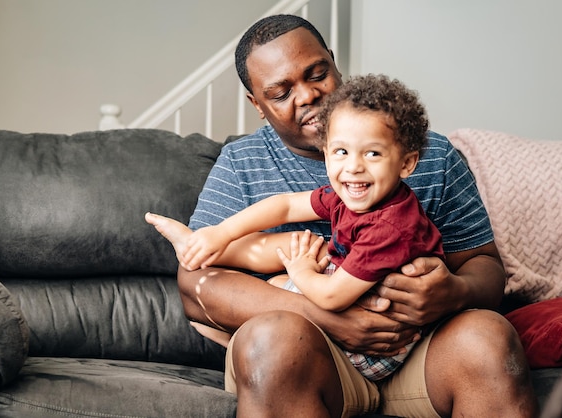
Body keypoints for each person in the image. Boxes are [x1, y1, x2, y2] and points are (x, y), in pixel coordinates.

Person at [170, 14, 538, 418]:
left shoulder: (432, 155)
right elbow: (195, 283)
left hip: (418, 351)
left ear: (334, 61)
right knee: (271, 339)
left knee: (488, 337)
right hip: (306, 357)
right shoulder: (242, 163)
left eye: (317, 73)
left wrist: (456, 292)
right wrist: (325, 317)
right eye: (280, 92)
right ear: (257, 104)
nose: (307, 95)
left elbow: (486, 267)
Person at [147, 74, 445, 383]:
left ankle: (226, 333)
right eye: (341, 152)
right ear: (326, 151)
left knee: (295, 267)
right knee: (291, 262)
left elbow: (331, 298)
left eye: (372, 153)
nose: (354, 166)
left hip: (378, 344)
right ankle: (200, 244)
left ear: (407, 164)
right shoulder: (352, 194)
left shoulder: (389, 226)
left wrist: (303, 271)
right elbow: (285, 205)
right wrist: (221, 232)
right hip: (357, 300)